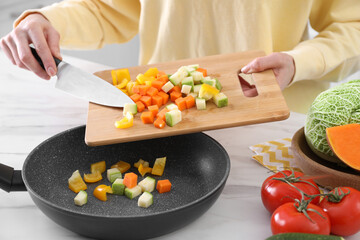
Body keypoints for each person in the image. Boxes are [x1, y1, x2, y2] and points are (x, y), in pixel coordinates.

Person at [1, 0, 360, 113]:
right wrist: (43, 20)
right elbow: (109, 9)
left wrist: (299, 62)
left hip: (272, 118)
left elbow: (352, 25)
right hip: (160, 111)